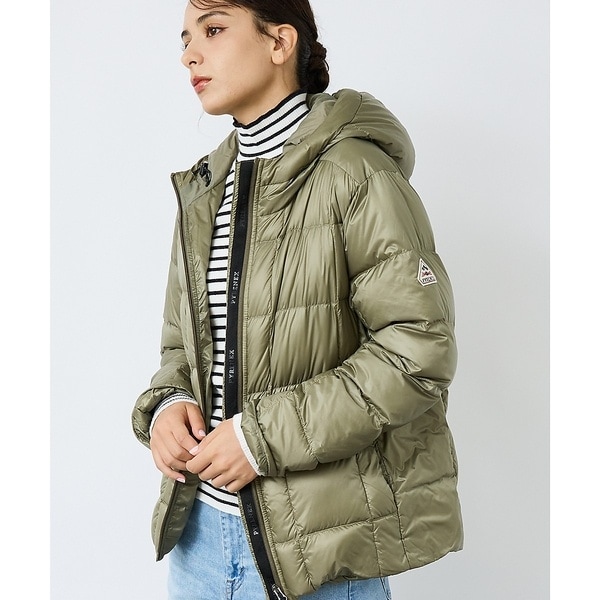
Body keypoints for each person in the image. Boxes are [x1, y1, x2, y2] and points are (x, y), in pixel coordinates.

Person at [132, 1, 464, 598]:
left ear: (280, 42)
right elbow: (184, 344)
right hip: (199, 542)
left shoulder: (356, 173)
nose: (189, 55)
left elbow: (418, 352)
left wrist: (261, 438)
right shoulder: (206, 190)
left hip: (319, 550)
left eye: (213, 30)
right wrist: (167, 406)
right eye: (184, 39)